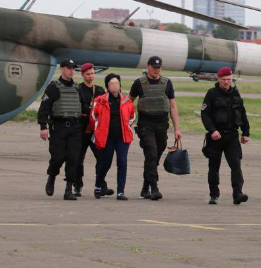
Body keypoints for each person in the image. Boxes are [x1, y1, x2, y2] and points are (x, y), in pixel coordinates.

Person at [128, 56, 182, 201]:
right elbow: (128, 103)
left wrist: (177, 129)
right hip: (146, 124)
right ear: (148, 67)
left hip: (162, 124)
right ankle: (154, 187)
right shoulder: (139, 83)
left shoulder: (167, 83)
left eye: (159, 67)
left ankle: (145, 186)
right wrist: (129, 122)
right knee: (151, 153)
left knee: (155, 156)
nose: (157, 70)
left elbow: (173, 106)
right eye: (154, 67)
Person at [201, 67, 250, 205]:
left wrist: (245, 132)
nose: (226, 82)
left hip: (232, 136)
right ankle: (214, 195)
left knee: (236, 165)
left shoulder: (235, 93)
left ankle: (238, 194)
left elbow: (242, 113)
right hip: (216, 136)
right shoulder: (212, 94)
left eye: (229, 79)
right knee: (214, 166)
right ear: (218, 79)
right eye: (223, 80)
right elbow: (205, 114)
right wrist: (212, 130)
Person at [38, 59, 82, 201]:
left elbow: (84, 107)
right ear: (62, 69)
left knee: (73, 159)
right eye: (69, 68)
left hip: (75, 128)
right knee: (57, 158)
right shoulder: (53, 87)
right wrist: (43, 127)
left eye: (73, 68)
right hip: (59, 127)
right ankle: (52, 177)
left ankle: (68, 190)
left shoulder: (77, 88)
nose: (71, 71)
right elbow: (44, 108)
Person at [91, 73, 135, 201]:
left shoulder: (126, 101)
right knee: (105, 163)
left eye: (116, 83)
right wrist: (99, 129)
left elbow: (132, 116)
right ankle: (98, 185)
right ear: (107, 86)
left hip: (122, 137)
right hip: (107, 137)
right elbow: (93, 117)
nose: (114, 86)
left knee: (122, 162)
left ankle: (120, 192)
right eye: (111, 84)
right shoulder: (99, 101)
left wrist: (127, 126)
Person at [75, 63, 111, 197]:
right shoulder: (78, 89)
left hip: (95, 130)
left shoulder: (99, 90)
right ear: (82, 75)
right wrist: (91, 110)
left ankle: (101, 185)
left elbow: (104, 107)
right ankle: (77, 185)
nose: (91, 76)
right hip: (81, 129)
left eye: (92, 73)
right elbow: (79, 107)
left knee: (101, 158)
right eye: (88, 74)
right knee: (78, 159)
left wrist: (90, 110)